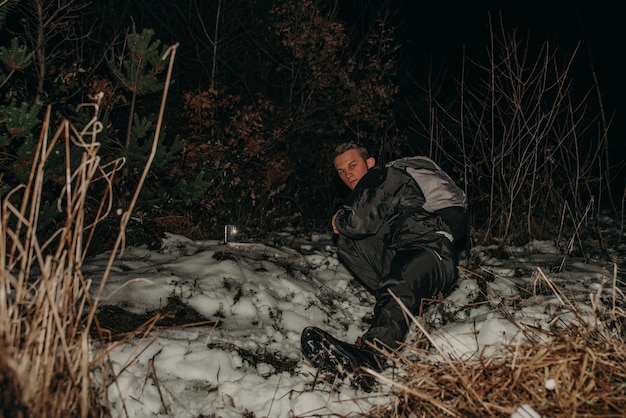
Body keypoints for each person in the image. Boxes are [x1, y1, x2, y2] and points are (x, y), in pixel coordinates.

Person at [301, 142, 465, 383]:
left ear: (370, 163)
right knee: (349, 244)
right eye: (341, 171)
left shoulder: (384, 176)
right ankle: (393, 309)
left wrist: (339, 216)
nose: (348, 175)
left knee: (397, 279)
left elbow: (356, 222)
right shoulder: (390, 201)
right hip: (410, 251)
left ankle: (370, 357)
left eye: (353, 165)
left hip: (431, 248)